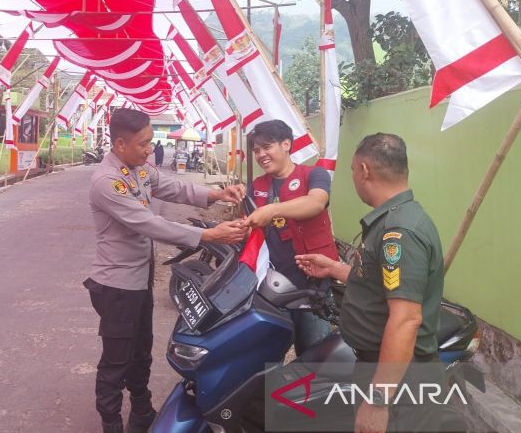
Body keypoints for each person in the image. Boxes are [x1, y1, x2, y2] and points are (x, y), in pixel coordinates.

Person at [85, 108, 248, 433]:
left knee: (141, 352)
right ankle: (111, 424)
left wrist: (216, 193)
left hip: (137, 280)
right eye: (143, 144)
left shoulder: (137, 169)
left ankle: (142, 413)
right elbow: (149, 223)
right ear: (120, 144)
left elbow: (173, 187)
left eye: (150, 141)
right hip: (116, 287)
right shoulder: (108, 182)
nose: (150, 149)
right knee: (116, 363)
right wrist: (208, 234)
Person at [295, 133, 444, 433]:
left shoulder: (399, 232)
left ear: (364, 170)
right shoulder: (394, 219)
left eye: (352, 170)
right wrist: (336, 269)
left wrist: (378, 401)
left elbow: (405, 319)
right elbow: (383, 285)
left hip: (397, 377)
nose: (353, 177)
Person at [241, 119, 337, 355]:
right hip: (270, 287)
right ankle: (270, 391)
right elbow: (252, 230)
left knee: (315, 354)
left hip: (311, 285)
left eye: (267, 147)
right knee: (269, 353)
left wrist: (272, 210)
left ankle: (310, 390)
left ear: (286, 144)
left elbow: (316, 202)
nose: (261, 154)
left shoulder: (315, 174)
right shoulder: (257, 185)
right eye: (256, 150)